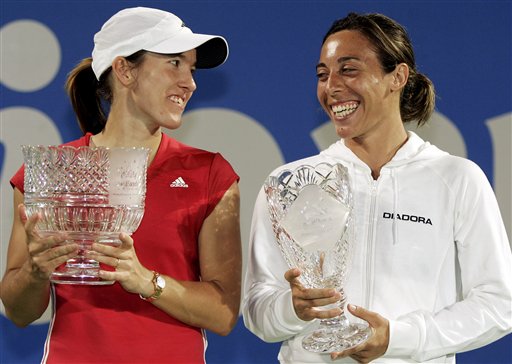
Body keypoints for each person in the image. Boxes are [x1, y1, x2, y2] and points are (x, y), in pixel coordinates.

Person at [242, 12, 512, 363]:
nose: (331, 86)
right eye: (323, 74)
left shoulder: (457, 178)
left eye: (349, 69)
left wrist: (397, 338)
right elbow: (256, 308)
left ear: (397, 76)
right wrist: (292, 309)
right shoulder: (291, 183)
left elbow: (498, 303)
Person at [1, 7, 241, 364]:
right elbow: (19, 312)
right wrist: (36, 273)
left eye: (190, 68)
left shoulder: (211, 174)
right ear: (125, 70)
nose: (190, 82)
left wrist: (146, 281)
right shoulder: (49, 172)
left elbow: (223, 314)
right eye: (174, 63)